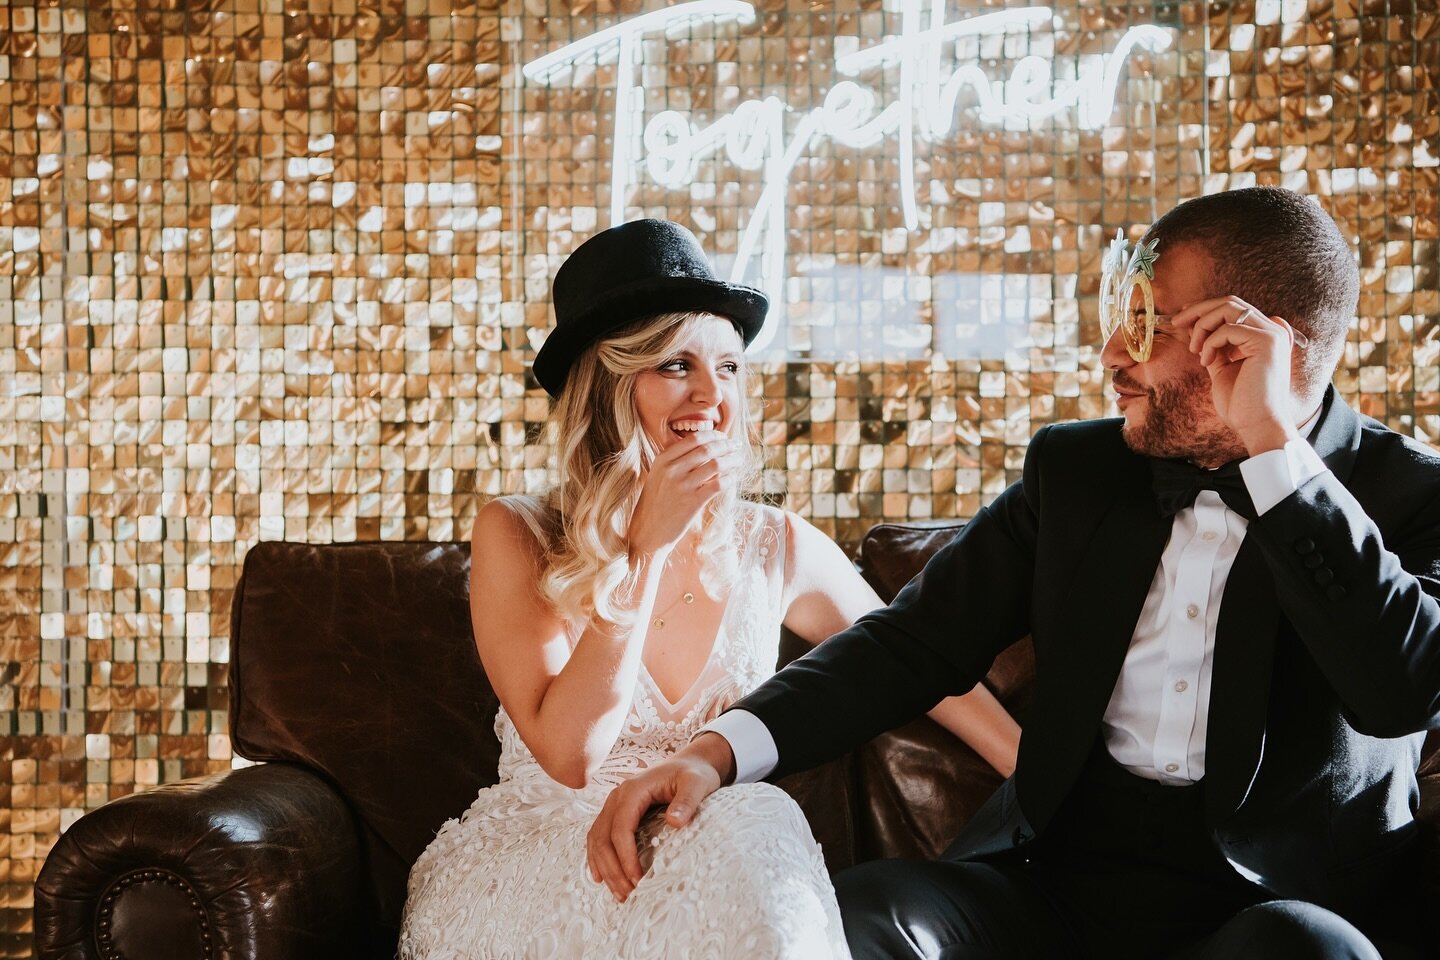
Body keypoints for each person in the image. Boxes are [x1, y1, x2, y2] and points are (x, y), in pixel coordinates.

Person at [588, 188, 1440, 959]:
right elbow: (911, 642)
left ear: (1260, 341)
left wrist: (1277, 456)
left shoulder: (1408, 497)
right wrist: (714, 753)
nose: (1112, 354)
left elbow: (1402, 691)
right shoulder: (1076, 473)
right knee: (853, 917)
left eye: (1145, 325)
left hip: (1275, 909)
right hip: (1049, 889)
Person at [398, 218, 1020, 959]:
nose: (712, 395)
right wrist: (645, 550)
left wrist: (1047, 782)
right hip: (551, 857)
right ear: (607, 384)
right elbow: (572, 755)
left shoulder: (773, 543)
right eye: (674, 366)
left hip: (708, 853)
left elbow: (916, 660)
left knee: (752, 817)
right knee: (748, 824)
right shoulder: (520, 535)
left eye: (728, 368)